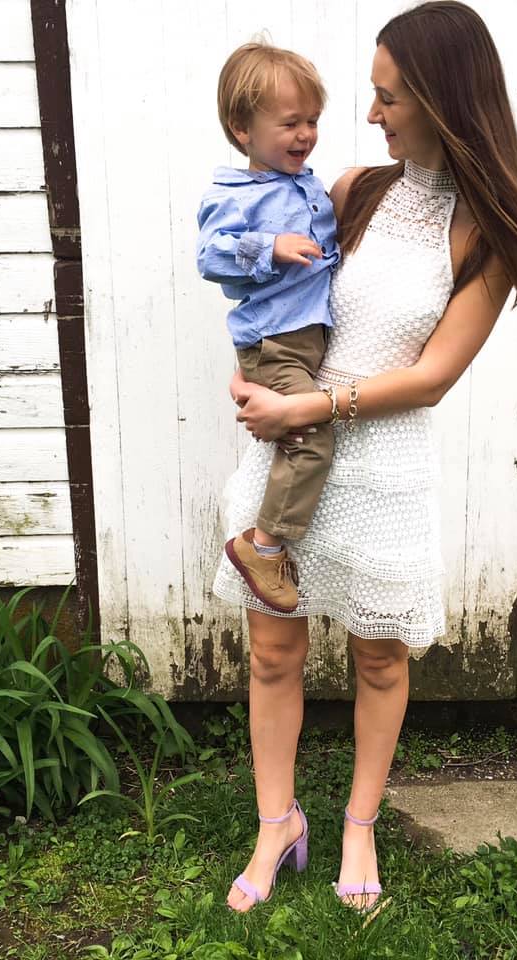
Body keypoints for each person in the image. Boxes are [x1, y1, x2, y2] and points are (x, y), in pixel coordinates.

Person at [213, 0, 517, 915]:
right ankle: (277, 822)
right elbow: (278, 294)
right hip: (292, 450)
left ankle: (356, 821)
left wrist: (306, 403)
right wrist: (251, 374)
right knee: (273, 649)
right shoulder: (356, 189)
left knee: (379, 660)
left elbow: (431, 377)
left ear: (438, 98)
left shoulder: (484, 235)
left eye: (388, 96)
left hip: (380, 469)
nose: (372, 113)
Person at [197, 42, 341, 614]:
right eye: (289, 123)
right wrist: (270, 247)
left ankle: (275, 539)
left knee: (298, 435)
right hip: (274, 342)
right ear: (242, 129)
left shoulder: (308, 185)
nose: (304, 134)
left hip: (309, 341)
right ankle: (264, 546)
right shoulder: (233, 195)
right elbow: (211, 256)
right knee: (311, 439)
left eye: (312, 121)